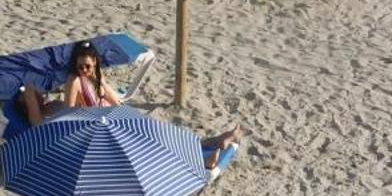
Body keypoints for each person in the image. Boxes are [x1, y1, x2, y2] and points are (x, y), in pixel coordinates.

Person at [20, 43, 243, 166]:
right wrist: (28, 94)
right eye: (81, 67)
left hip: (116, 118)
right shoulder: (71, 84)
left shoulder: (89, 80)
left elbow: (117, 102)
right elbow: (69, 117)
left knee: (160, 135)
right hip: (101, 129)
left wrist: (101, 85)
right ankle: (203, 159)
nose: (84, 70)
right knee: (151, 150)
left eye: (87, 66)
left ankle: (210, 143)